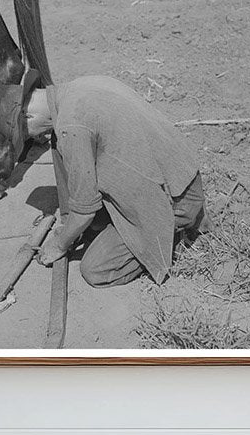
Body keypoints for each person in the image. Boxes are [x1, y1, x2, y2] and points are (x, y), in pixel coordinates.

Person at [28, 75, 210, 288]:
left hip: (175, 203)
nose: (35, 138)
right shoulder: (79, 86)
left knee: (95, 269)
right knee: (93, 224)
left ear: (28, 116)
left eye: (28, 134)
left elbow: (84, 212)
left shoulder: (71, 126)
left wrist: (59, 245)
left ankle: (174, 235)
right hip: (184, 176)